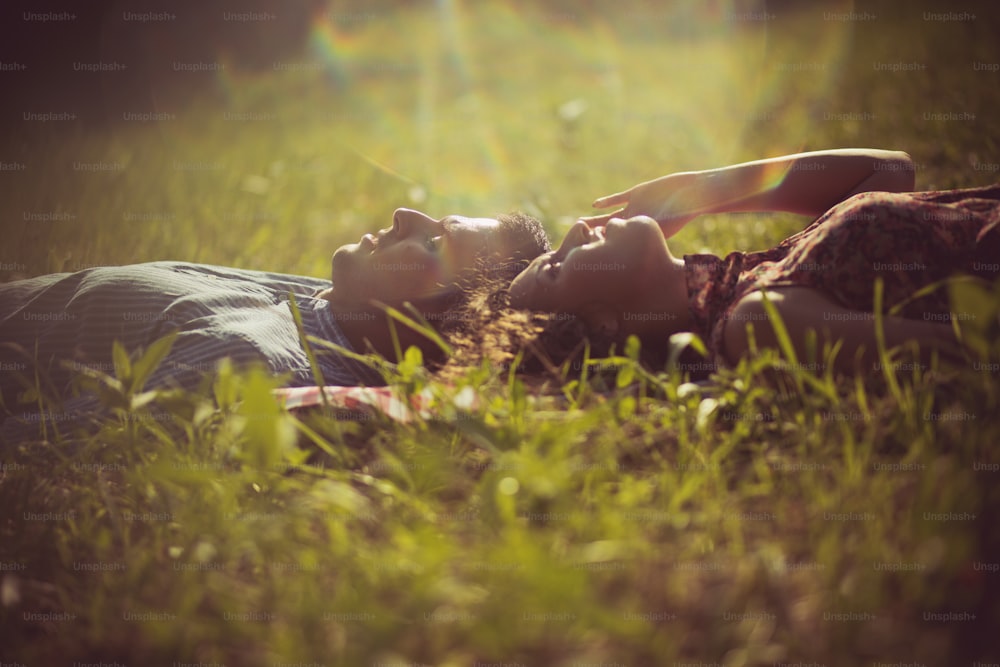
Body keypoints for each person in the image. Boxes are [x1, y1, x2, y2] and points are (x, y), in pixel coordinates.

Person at [448, 149, 1000, 379]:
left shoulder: (760, 275)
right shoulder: (755, 322)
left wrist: (704, 189)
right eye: (555, 268)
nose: (573, 231)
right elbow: (972, 351)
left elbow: (889, 172)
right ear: (605, 324)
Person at [0, 208, 549, 437]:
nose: (407, 215)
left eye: (434, 241)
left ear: (430, 319)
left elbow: (40, 447)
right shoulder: (327, 305)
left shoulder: (248, 360)